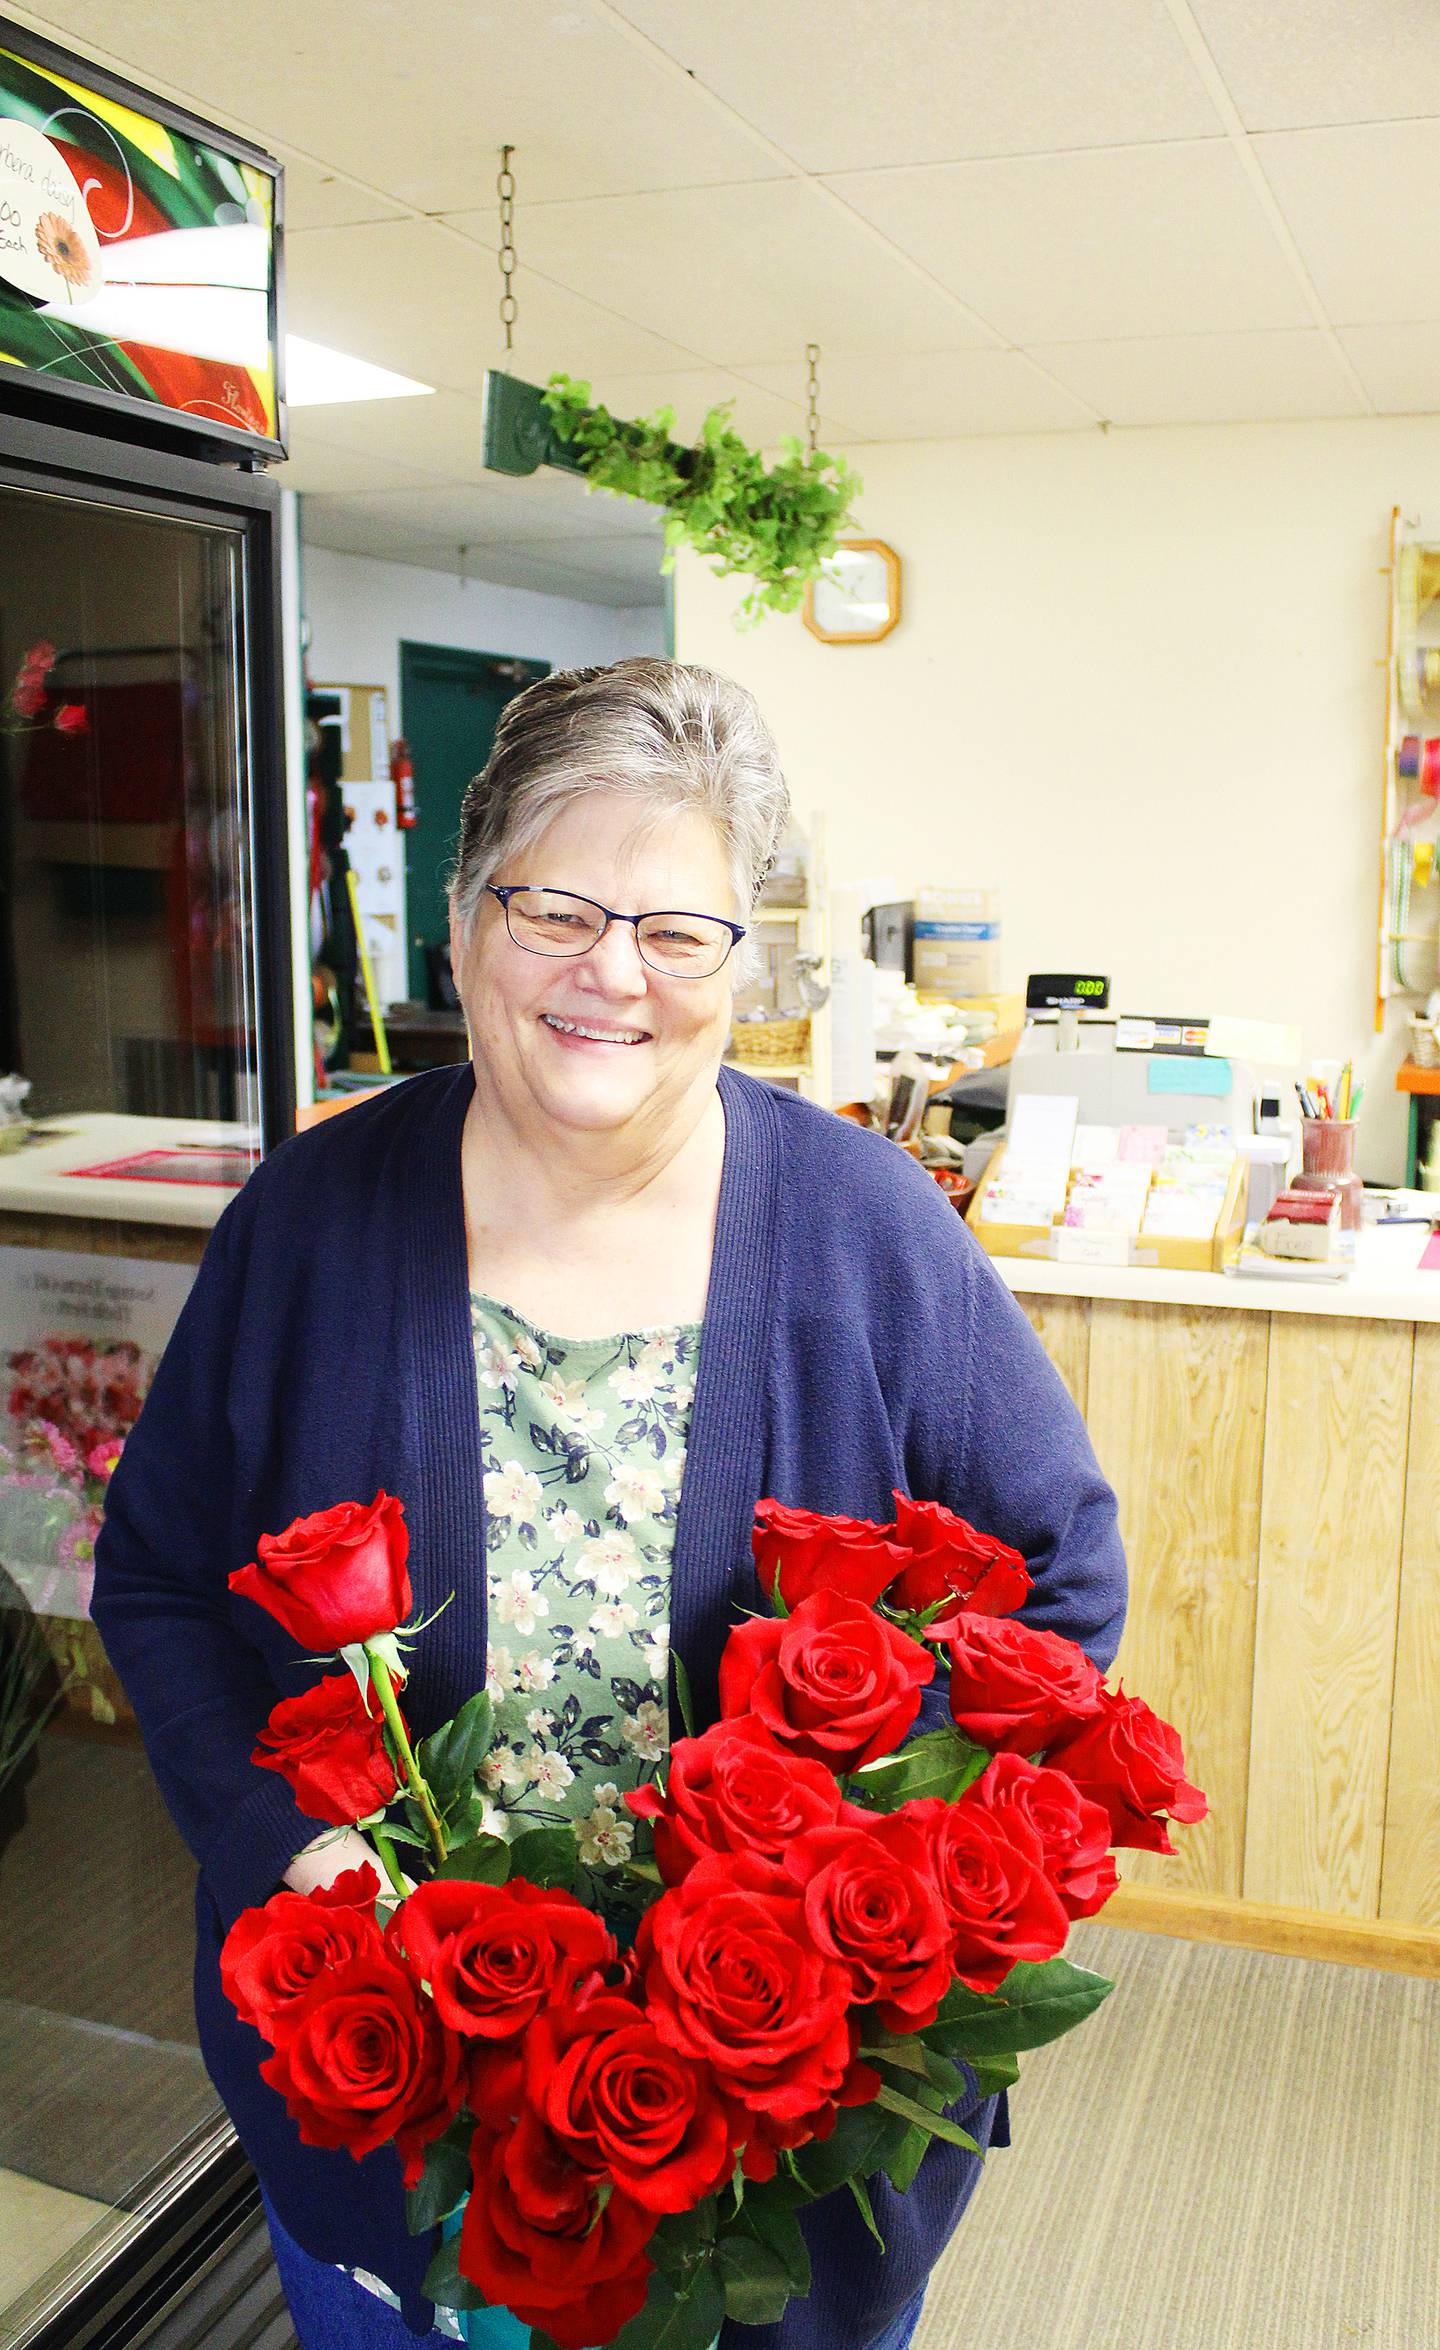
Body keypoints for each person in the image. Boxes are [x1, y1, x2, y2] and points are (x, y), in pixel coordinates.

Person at [92, 658, 1127, 2350]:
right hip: (390, 2111)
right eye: (555, 908)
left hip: (768, 2152)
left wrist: (855, 1880)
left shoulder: (870, 1232)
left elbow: (1060, 1578)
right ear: (460, 918)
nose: (610, 974)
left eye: (677, 928)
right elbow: (157, 1576)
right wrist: (289, 1853)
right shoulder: (311, 1217)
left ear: (742, 960)